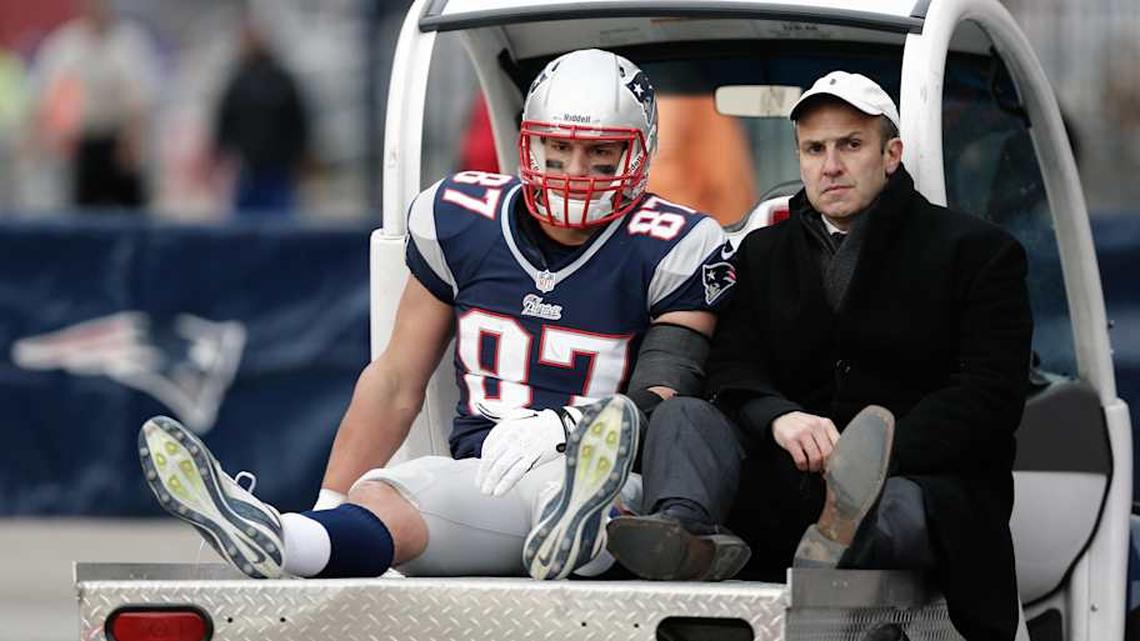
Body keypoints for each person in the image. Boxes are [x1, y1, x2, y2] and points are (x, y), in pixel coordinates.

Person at [138, 48, 735, 582]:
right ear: (530, 143)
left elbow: (667, 390)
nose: (575, 172)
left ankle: (579, 525)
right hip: (486, 469)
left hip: (599, 462)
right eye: (559, 148)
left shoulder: (676, 242)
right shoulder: (462, 217)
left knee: (597, 494)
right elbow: (396, 380)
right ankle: (288, 538)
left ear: (639, 151)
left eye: (600, 154)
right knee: (387, 497)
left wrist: (568, 427)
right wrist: (331, 499)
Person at [608, 71, 1032, 641]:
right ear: (801, 159)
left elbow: (989, 397)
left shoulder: (979, 252)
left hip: (911, 486)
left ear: (891, 154)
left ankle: (839, 539)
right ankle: (684, 533)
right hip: (785, 485)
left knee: (892, 510)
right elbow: (732, 367)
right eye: (814, 149)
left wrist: (867, 455)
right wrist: (779, 418)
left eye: (850, 145)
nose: (830, 165)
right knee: (685, 413)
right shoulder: (760, 253)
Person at [29, 0, 157, 210]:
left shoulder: (131, 43)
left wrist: (134, 140)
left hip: (121, 141)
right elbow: (46, 96)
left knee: (130, 212)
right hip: (83, 144)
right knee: (83, 212)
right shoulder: (65, 45)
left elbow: (144, 100)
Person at [213, 15, 311, 217]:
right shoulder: (237, 83)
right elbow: (225, 123)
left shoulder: (282, 81)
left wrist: (300, 155)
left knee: (279, 222)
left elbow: (298, 123)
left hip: (278, 172)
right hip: (248, 171)